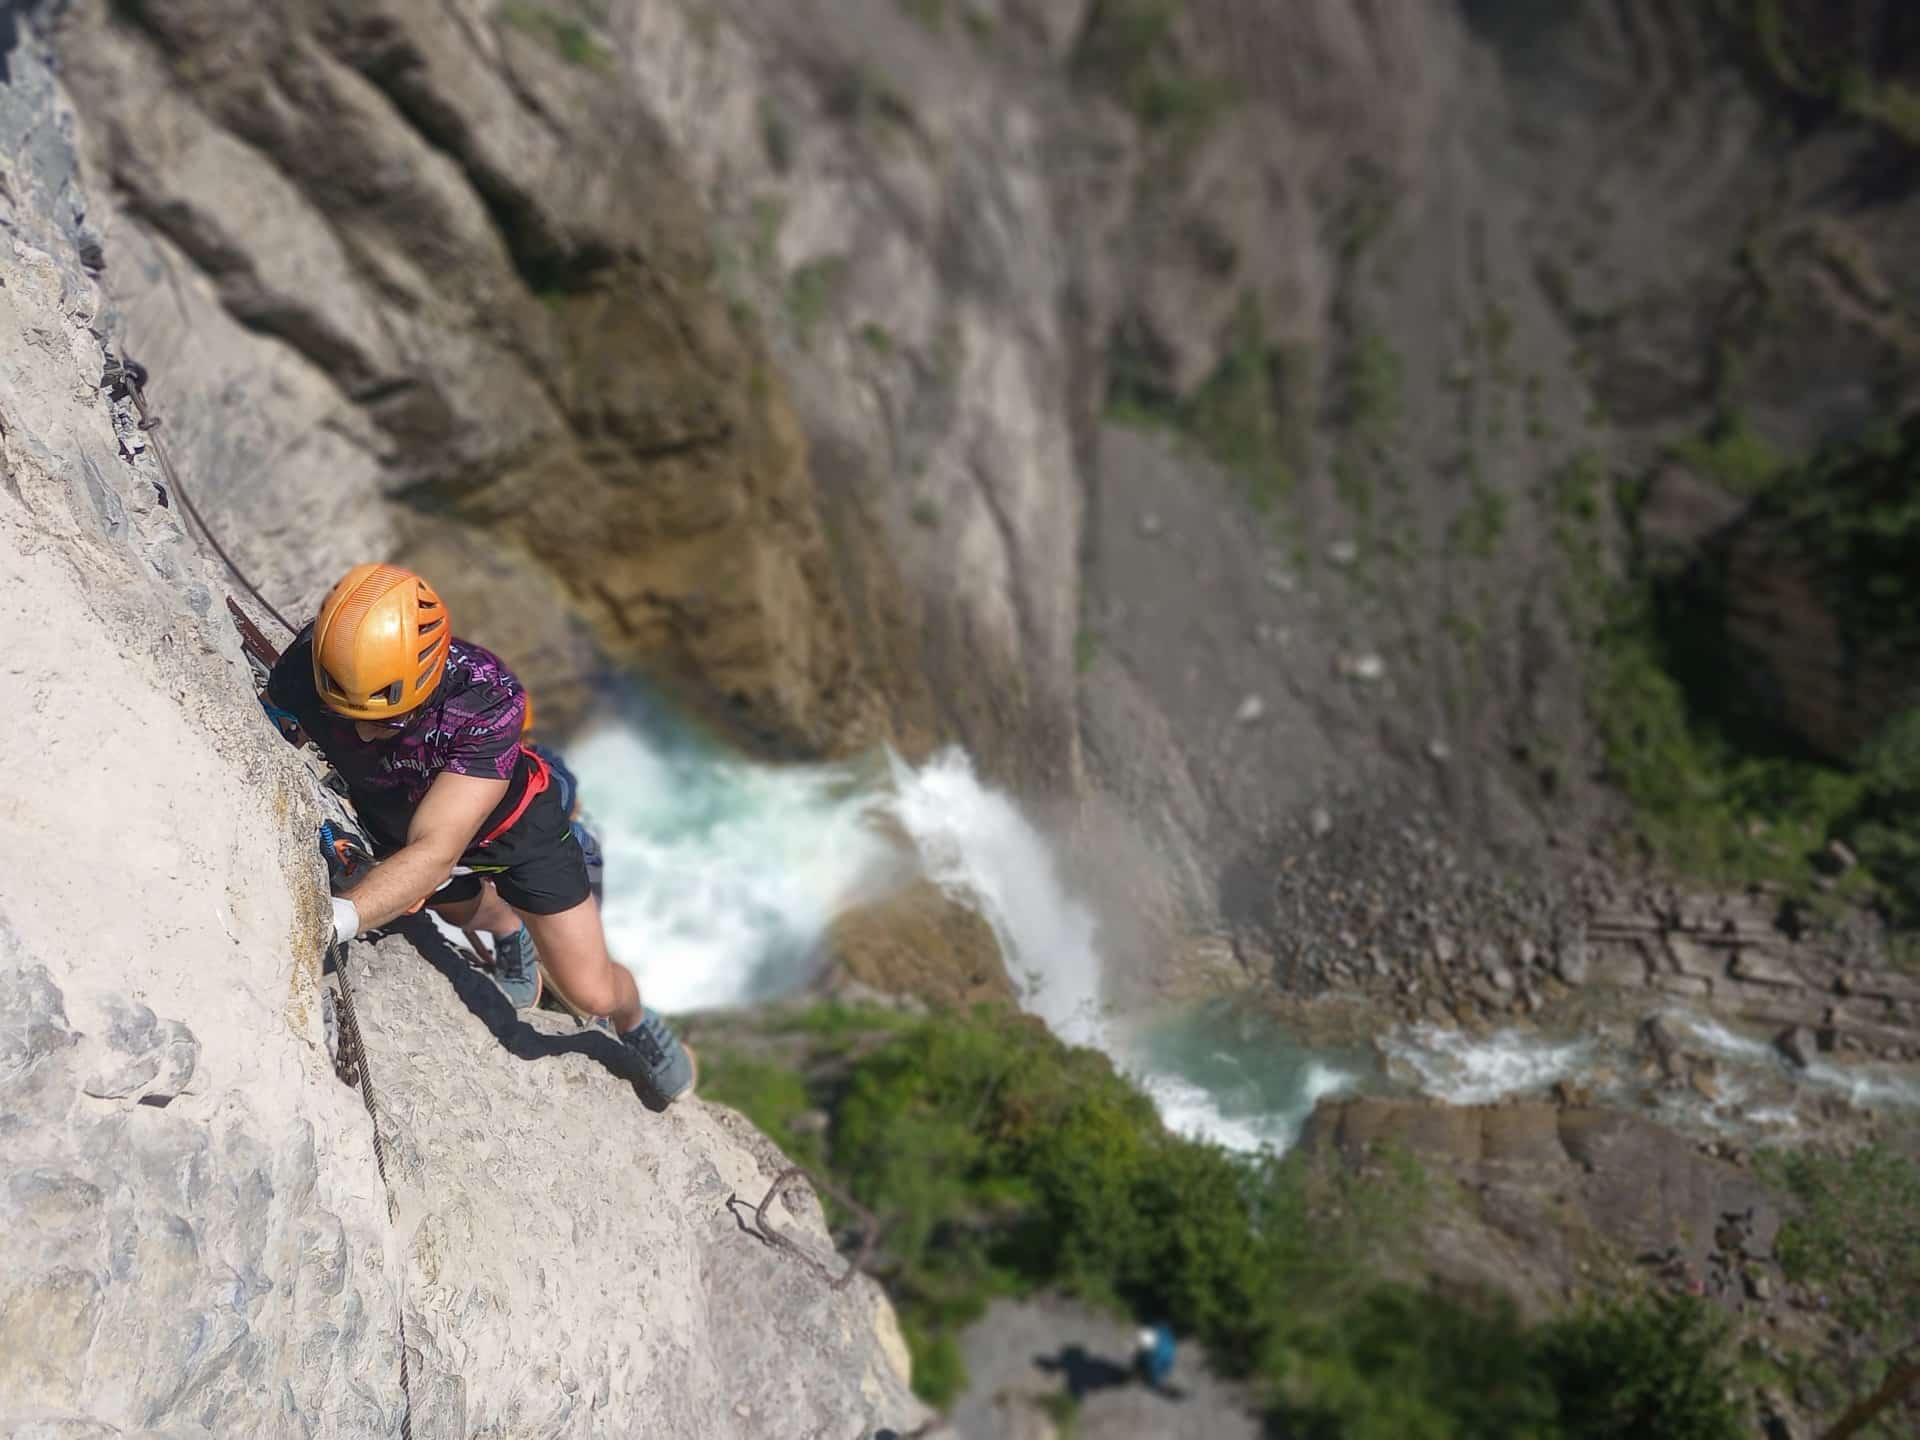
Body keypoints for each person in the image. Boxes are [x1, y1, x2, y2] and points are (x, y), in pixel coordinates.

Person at [266, 561, 693, 1103]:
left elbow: (437, 848)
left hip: (514, 831)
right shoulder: (315, 663)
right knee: (459, 908)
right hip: (399, 813)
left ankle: (635, 1019)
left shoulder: (484, 701)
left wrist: (335, 918)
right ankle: (510, 932)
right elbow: (276, 722)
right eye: (342, 712)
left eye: (386, 719)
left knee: (591, 991)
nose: (361, 732)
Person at [1133, 1323, 1176, 1392]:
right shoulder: (1160, 1332)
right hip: (1163, 1360)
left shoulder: (1156, 1358)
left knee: (1146, 1365)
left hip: (1159, 1366)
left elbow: (1156, 1369)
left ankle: (1142, 1376)